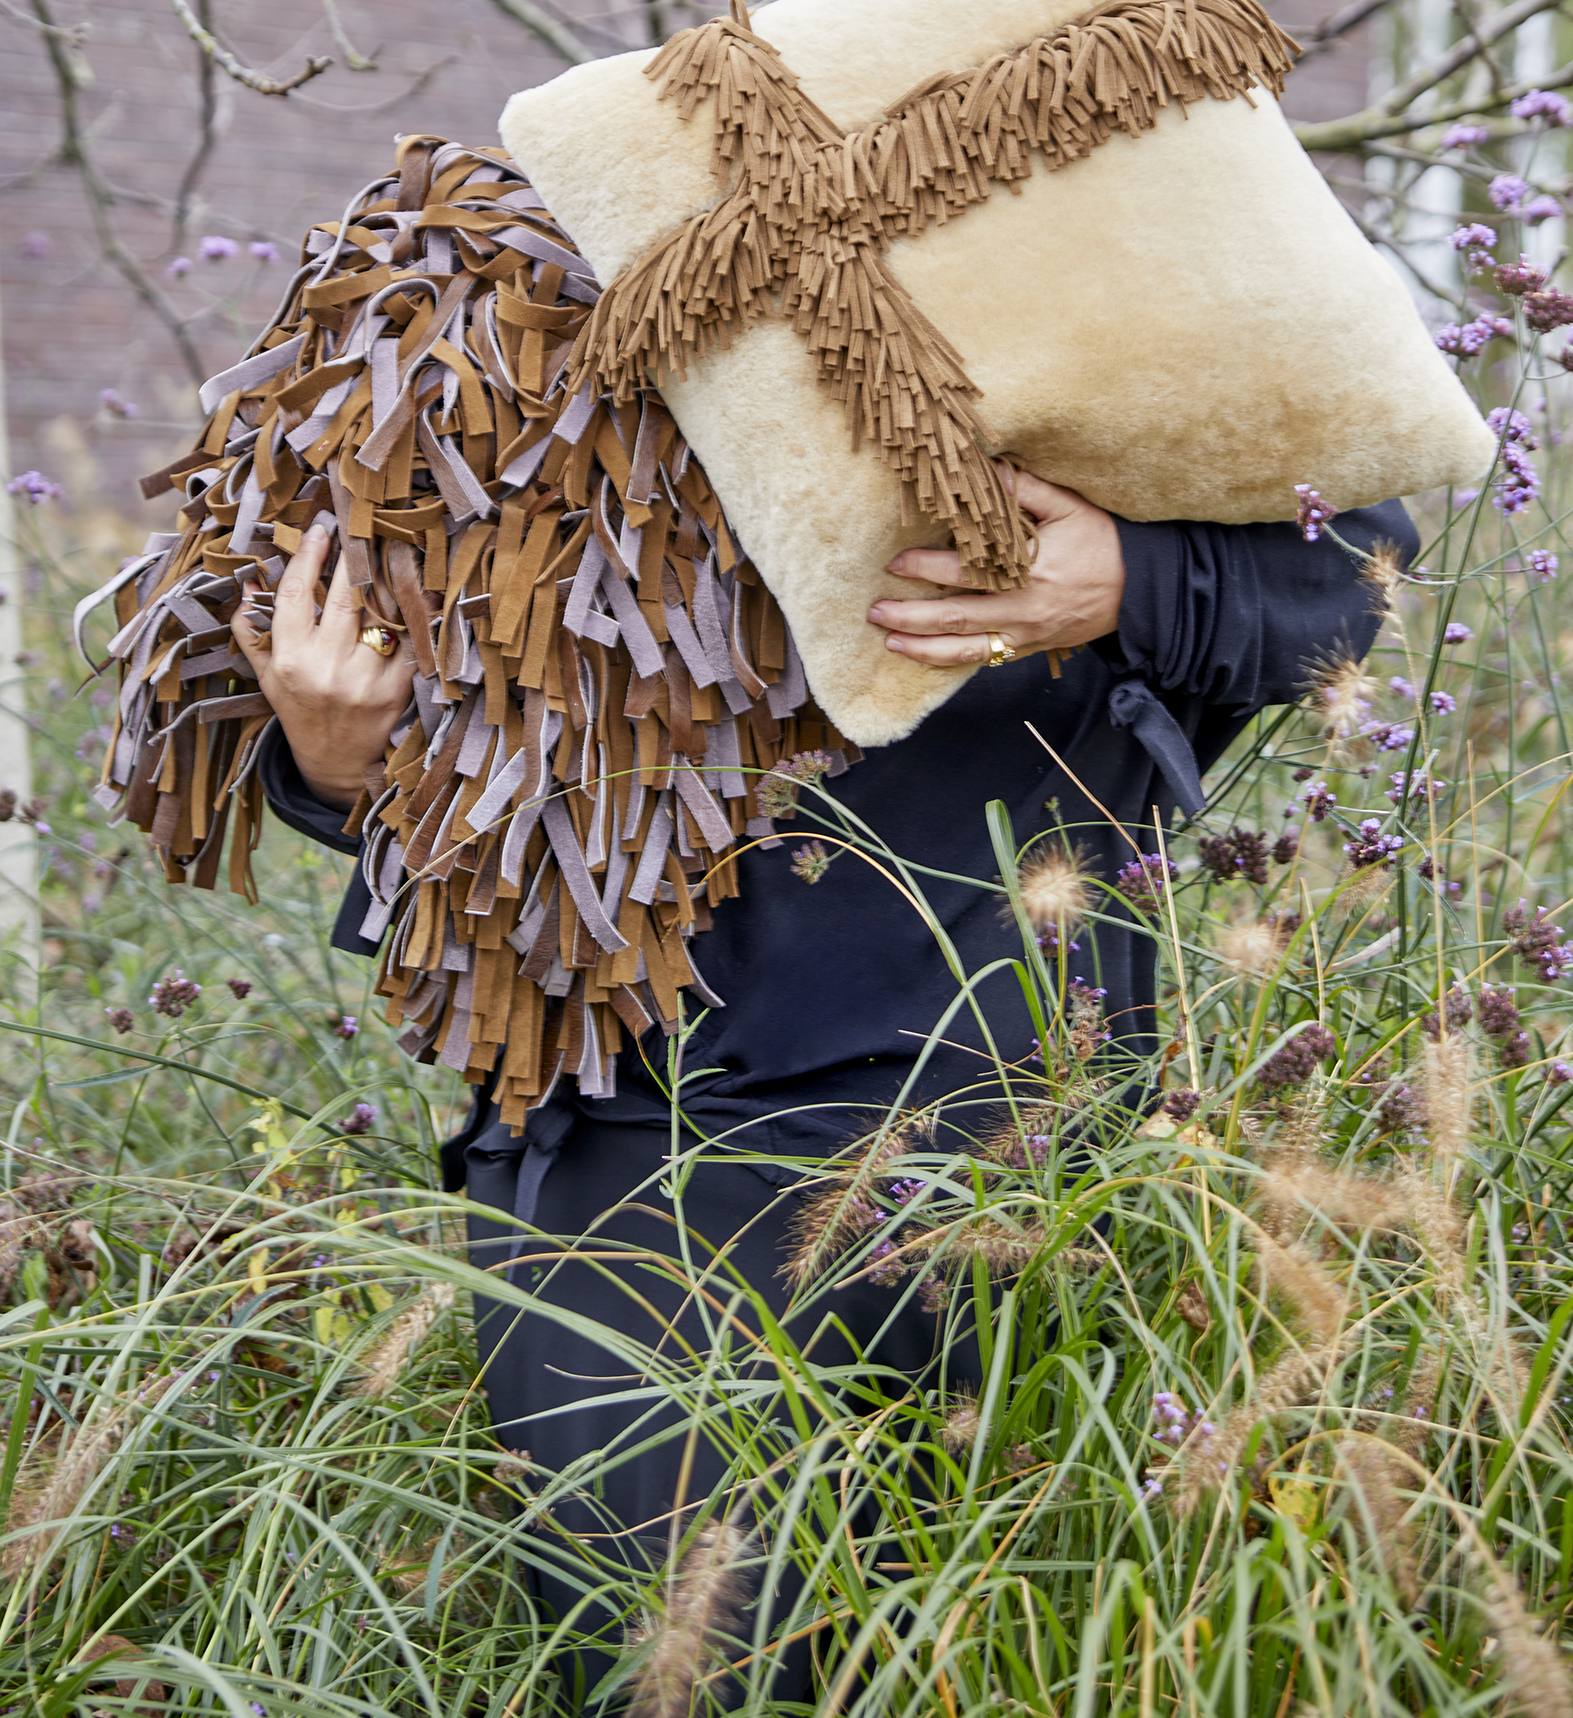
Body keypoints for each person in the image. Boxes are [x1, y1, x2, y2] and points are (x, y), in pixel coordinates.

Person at [235, 466, 1414, 1703]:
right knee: (674, 1667)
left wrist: (1133, 574)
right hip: (635, 1152)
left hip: (1027, 1143)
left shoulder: (1128, 281)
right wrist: (341, 764)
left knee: (1010, 1657)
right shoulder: (517, 284)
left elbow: (1351, 572)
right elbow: (413, 682)